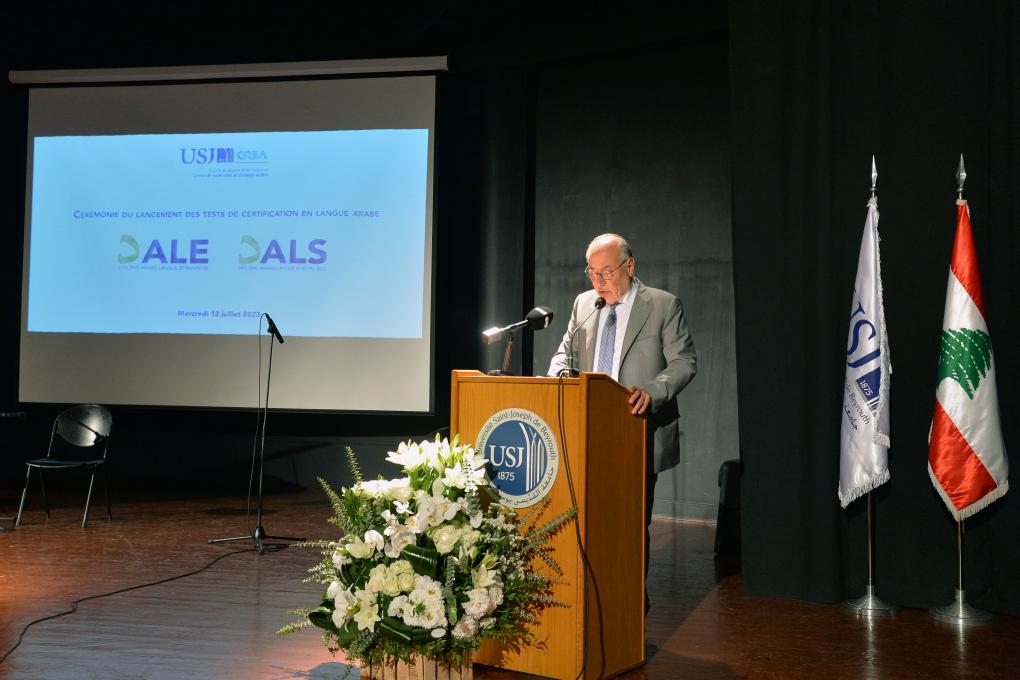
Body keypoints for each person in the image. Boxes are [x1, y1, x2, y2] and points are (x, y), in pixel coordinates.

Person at [548, 232, 697, 613]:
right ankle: (588, 603)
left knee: (630, 526)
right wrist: (559, 373)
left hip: (637, 429)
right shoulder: (585, 304)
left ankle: (630, 609)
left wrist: (653, 390)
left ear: (629, 266)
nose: (599, 282)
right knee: (587, 523)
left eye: (607, 272)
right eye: (592, 273)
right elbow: (565, 353)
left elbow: (684, 362)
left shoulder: (662, 305)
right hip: (587, 430)